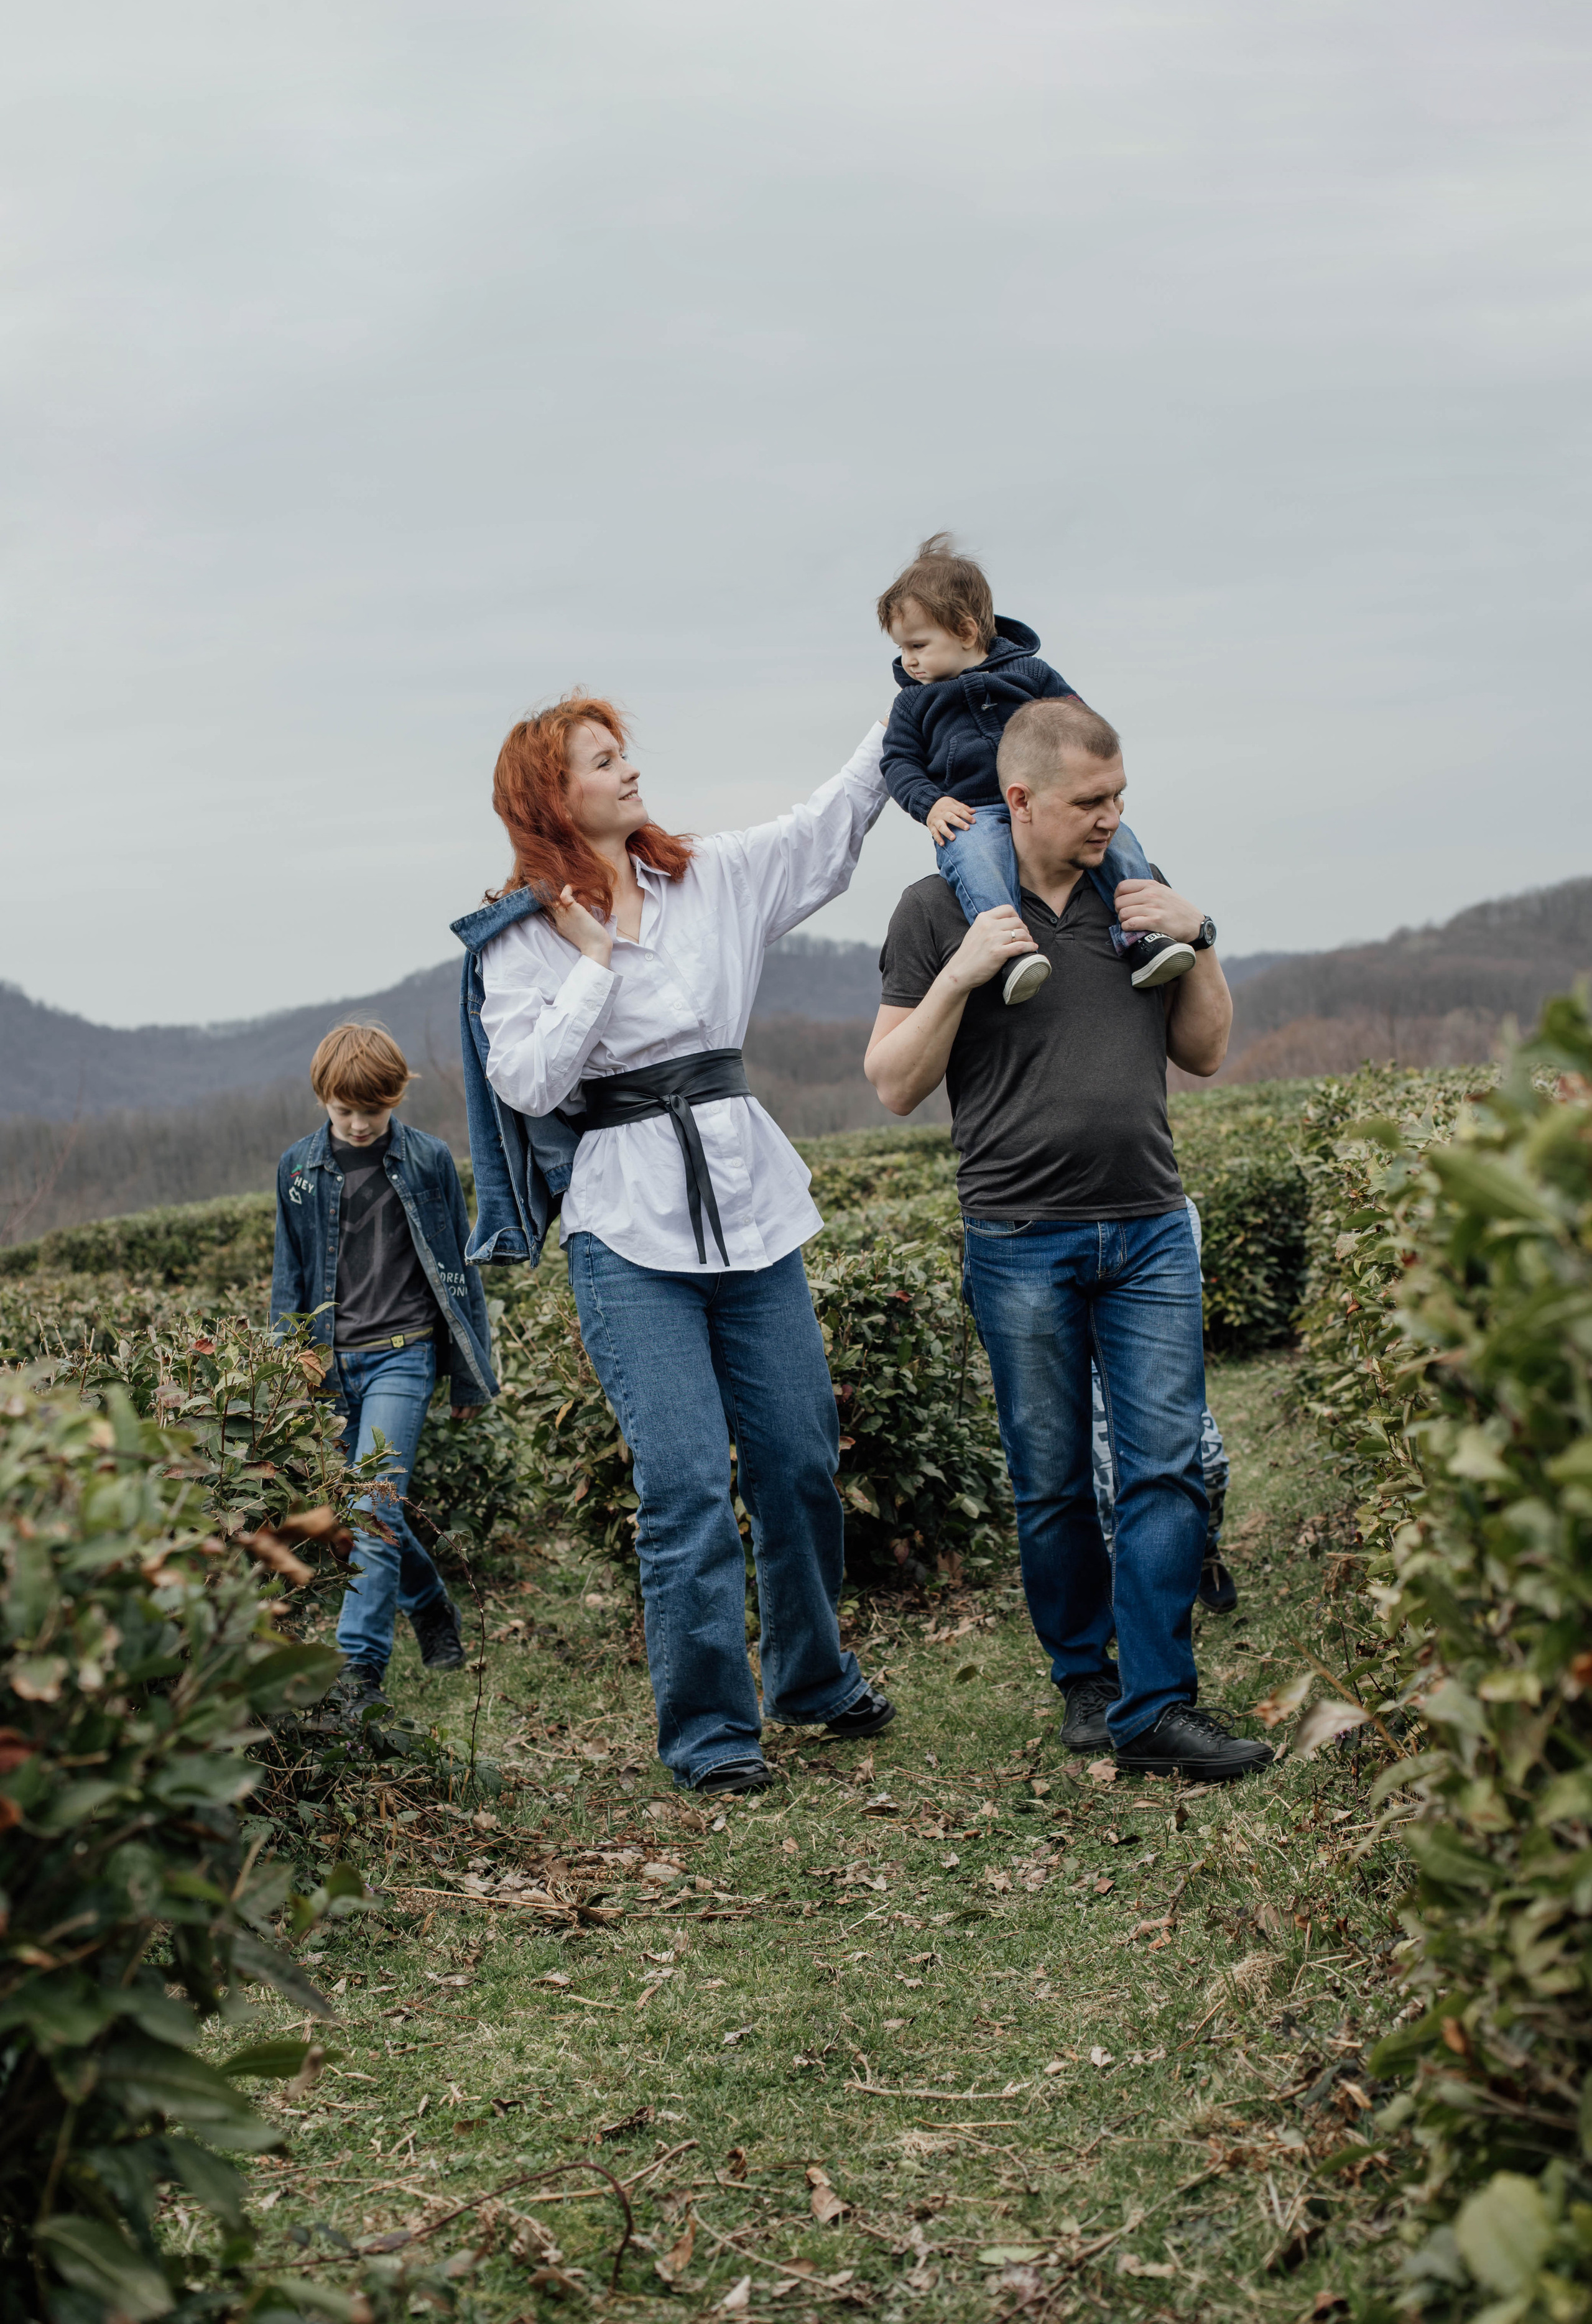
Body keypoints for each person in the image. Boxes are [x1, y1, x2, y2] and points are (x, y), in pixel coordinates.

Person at [451, 692, 897, 1797]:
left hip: (752, 1208)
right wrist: (595, 962)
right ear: (553, 798)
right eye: (604, 761)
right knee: (687, 1482)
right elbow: (527, 1083)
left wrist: (916, 700)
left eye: (624, 754)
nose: (630, 772)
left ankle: (812, 1677)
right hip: (628, 1232)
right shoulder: (521, 937)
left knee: (799, 1460)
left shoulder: (711, 878)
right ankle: (709, 1730)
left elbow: (828, 822)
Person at [864, 695, 1271, 1781]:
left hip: (1150, 1229)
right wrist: (963, 973)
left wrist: (1202, 938)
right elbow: (894, 1083)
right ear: (1021, 800)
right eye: (1090, 801)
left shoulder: (1136, 897)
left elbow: (1205, 1053)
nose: (1110, 817)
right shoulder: (938, 909)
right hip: (1018, 1240)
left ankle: (1157, 1707)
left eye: (1119, 796)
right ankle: (1084, 1678)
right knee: (1049, 1483)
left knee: (1163, 1472)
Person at [270, 1022, 497, 1714]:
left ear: (396, 1098)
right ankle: (428, 1604)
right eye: (345, 1111)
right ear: (323, 1098)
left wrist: (469, 1373)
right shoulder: (297, 1171)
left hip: (405, 1355)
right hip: (330, 1368)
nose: (360, 1124)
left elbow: (458, 1271)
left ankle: (357, 1673)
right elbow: (289, 1278)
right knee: (363, 1510)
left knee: (371, 1510)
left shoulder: (428, 1160)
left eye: (374, 1110)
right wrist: (284, 1376)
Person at [878, 533, 1196, 1007]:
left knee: (1120, 842)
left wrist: (1099, 791)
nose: (909, 660)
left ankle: (1143, 937)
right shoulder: (912, 703)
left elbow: (1079, 724)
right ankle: (1011, 955)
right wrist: (931, 804)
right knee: (975, 859)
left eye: (919, 645)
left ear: (966, 631)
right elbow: (898, 762)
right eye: (902, 648)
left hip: (1050, 804)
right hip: (973, 811)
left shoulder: (1030, 674)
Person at [1091, 1202, 1239, 1616]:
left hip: (1148, 1362)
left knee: (1210, 1468)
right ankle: (1124, 1589)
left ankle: (1202, 1550)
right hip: (1083, 1371)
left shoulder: (1178, 1210)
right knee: (1109, 1490)